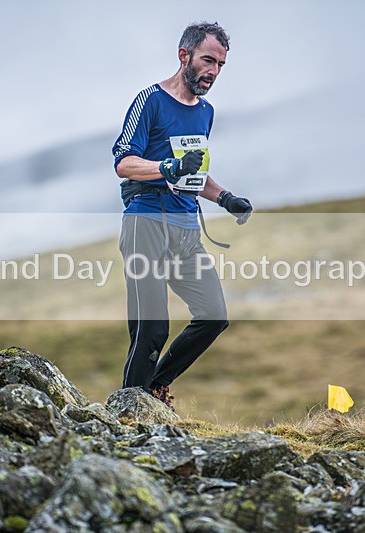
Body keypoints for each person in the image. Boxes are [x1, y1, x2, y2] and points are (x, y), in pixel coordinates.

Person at [111, 22, 253, 409]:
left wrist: (225, 198)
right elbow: (124, 163)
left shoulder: (205, 112)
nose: (214, 71)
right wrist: (167, 168)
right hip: (146, 223)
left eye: (221, 65)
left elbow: (195, 172)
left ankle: (151, 390)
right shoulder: (150, 101)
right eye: (208, 60)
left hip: (187, 229)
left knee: (213, 316)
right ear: (184, 55)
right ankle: (129, 414)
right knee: (152, 328)